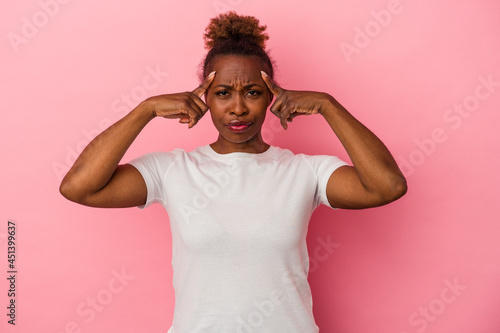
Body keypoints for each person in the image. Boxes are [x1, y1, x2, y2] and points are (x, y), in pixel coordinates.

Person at [60, 11, 407, 333]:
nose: (238, 108)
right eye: (223, 93)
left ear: (271, 96)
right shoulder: (173, 170)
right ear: (204, 97)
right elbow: (79, 187)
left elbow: (387, 186)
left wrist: (328, 105)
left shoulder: (305, 172)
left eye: (253, 92)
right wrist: (145, 109)